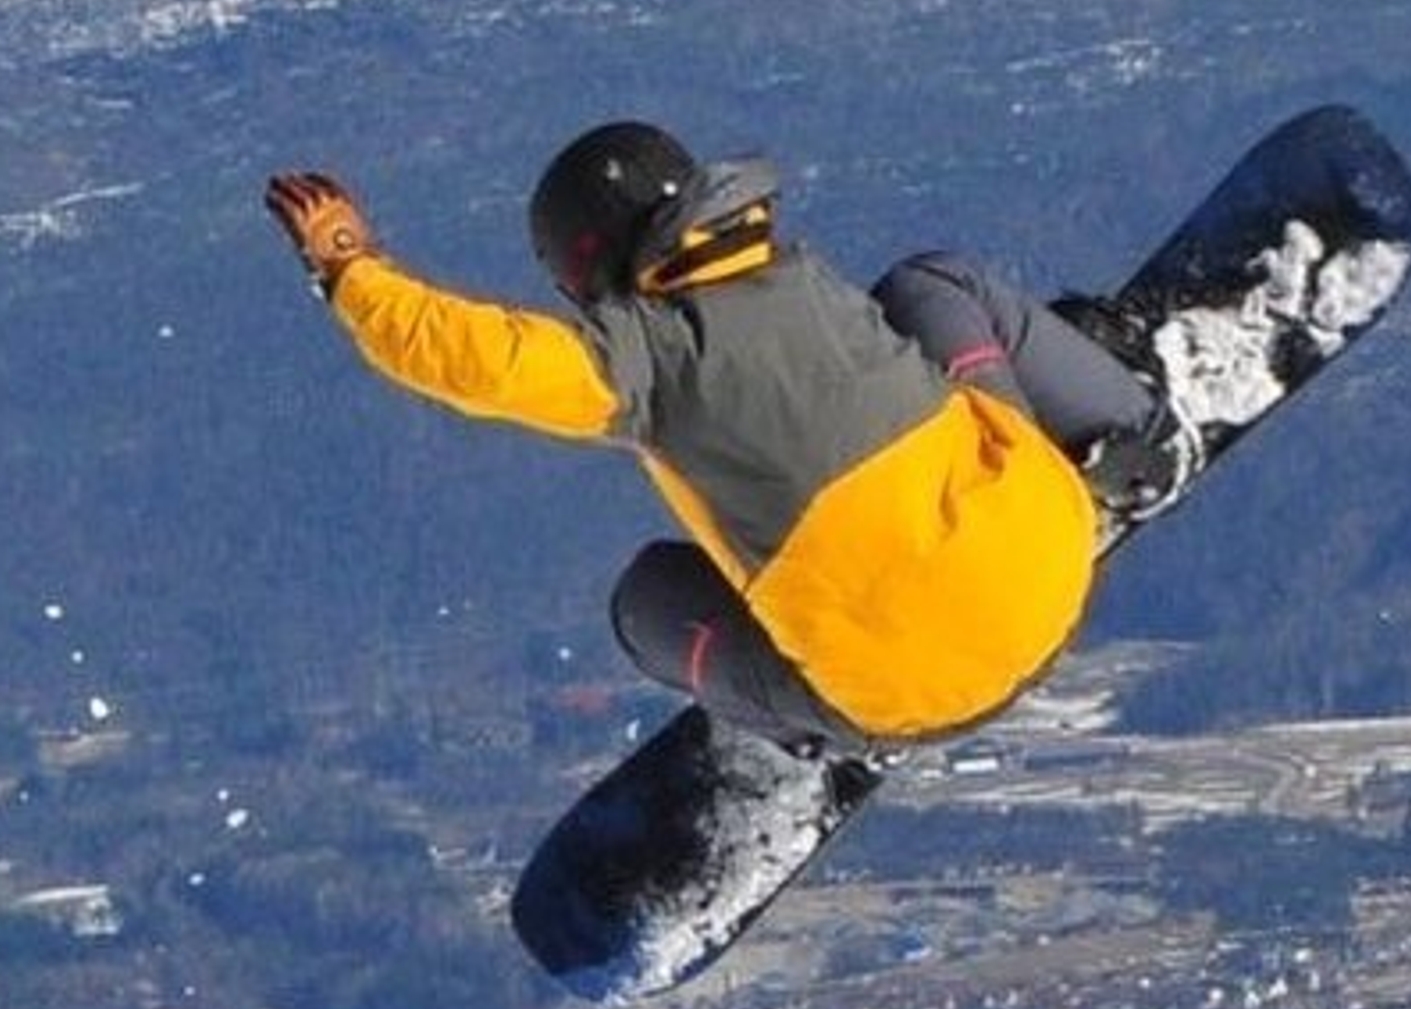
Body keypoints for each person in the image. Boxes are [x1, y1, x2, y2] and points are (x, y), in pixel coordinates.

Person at [265, 123, 1195, 756]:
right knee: (932, 283)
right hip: (1053, 556)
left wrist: (348, 267)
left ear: (585, 270)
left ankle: (807, 738)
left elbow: (478, 360)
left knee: (646, 602)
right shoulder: (788, 267)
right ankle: (1129, 434)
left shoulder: (642, 363)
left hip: (911, 698)